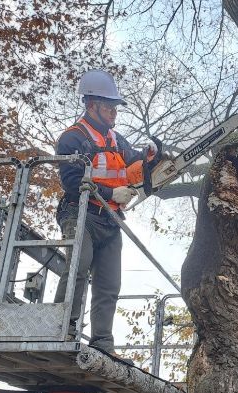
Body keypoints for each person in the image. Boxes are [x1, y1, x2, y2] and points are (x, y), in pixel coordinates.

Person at [54, 69, 157, 358]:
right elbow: (71, 181)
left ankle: (103, 342)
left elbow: (134, 163)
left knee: (109, 284)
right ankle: (61, 329)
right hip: (81, 213)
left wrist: (151, 156)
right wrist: (111, 193)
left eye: (115, 107)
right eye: (109, 107)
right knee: (77, 270)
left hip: (111, 219)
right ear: (92, 106)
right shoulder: (73, 138)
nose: (114, 113)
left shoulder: (116, 139)